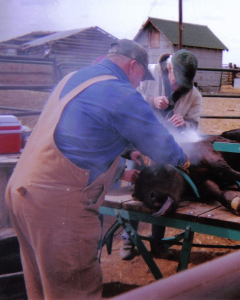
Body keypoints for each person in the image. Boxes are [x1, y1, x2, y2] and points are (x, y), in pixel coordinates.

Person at [5, 39, 189, 299]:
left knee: (45, 288)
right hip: (59, 207)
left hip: (22, 191)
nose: (138, 84)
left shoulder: (74, 78)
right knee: (76, 291)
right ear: (132, 65)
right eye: (139, 77)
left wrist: (124, 158)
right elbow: (163, 146)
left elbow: (77, 139)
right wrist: (184, 161)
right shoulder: (121, 91)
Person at [119, 49, 202, 261]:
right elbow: (128, 98)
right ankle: (129, 238)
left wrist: (185, 123)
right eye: (177, 80)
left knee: (163, 191)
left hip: (166, 149)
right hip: (139, 142)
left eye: (184, 82)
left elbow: (194, 124)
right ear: (170, 67)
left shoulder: (194, 94)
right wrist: (151, 100)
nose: (179, 85)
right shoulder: (148, 74)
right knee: (135, 190)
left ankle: (157, 242)